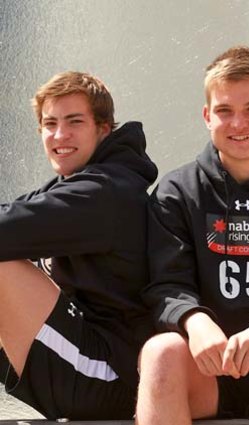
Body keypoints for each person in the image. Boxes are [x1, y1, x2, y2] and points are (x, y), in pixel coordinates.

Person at [135, 46, 249, 424]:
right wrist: (194, 321)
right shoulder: (177, 191)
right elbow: (166, 285)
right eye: (224, 111)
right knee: (160, 352)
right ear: (206, 116)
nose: (238, 123)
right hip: (208, 367)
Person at [0, 71, 158, 420]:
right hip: (85, 362)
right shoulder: (72, 187)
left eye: (74, 122)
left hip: (112, 376)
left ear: (103, 128)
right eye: (49, 123)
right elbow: (15, 215)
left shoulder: (105, 193)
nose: (59, 135)